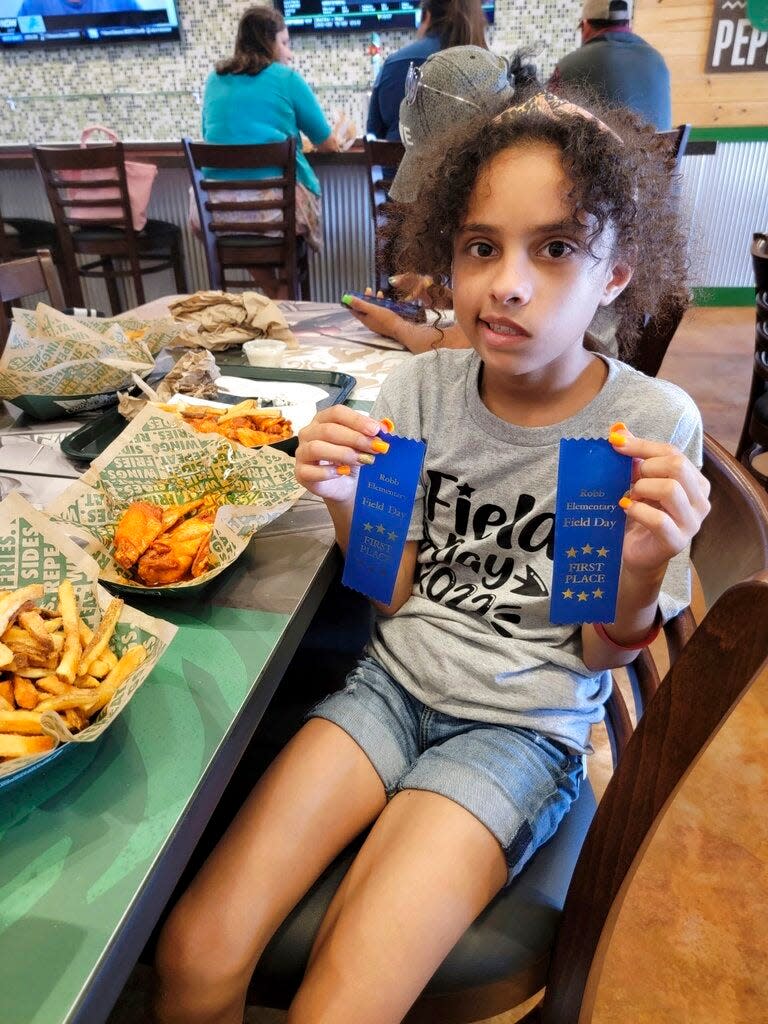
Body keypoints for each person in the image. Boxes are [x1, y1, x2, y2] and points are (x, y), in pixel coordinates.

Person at [153, 91, 710, 1024]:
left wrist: (645, 564)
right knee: (194, 951)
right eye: (481, 247)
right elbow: (392, 591)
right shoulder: (415, 388)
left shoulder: (639, 429)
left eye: (557, 248)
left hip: (518, 729)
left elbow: (602, 654)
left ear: (616, 274)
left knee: (338, 1003)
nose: (508, 284)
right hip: (389, 691)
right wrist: (345, 503)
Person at [199, 5, 338, 253]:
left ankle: (271, 287)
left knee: (241, 240)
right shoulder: (287, 79)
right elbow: (327, 143)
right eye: (284, 43)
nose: (290, 54)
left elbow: (208, 137)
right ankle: (280, 287)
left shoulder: (212, 80)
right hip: (276, 212)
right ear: (268, 43)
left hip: (217, 212)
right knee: (287, 227)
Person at [366, 0, 489, 142]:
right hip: (466, 164)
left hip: (398, 164)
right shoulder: (489, 71)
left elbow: (373, 134)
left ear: (427, 15)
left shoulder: (392, 65)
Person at [549, 0, 672, 130]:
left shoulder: (569, 65)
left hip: (604, 149)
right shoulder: (657, 60)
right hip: (660, 149)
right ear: (628, 24)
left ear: (585, 25)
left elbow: (548, 117)